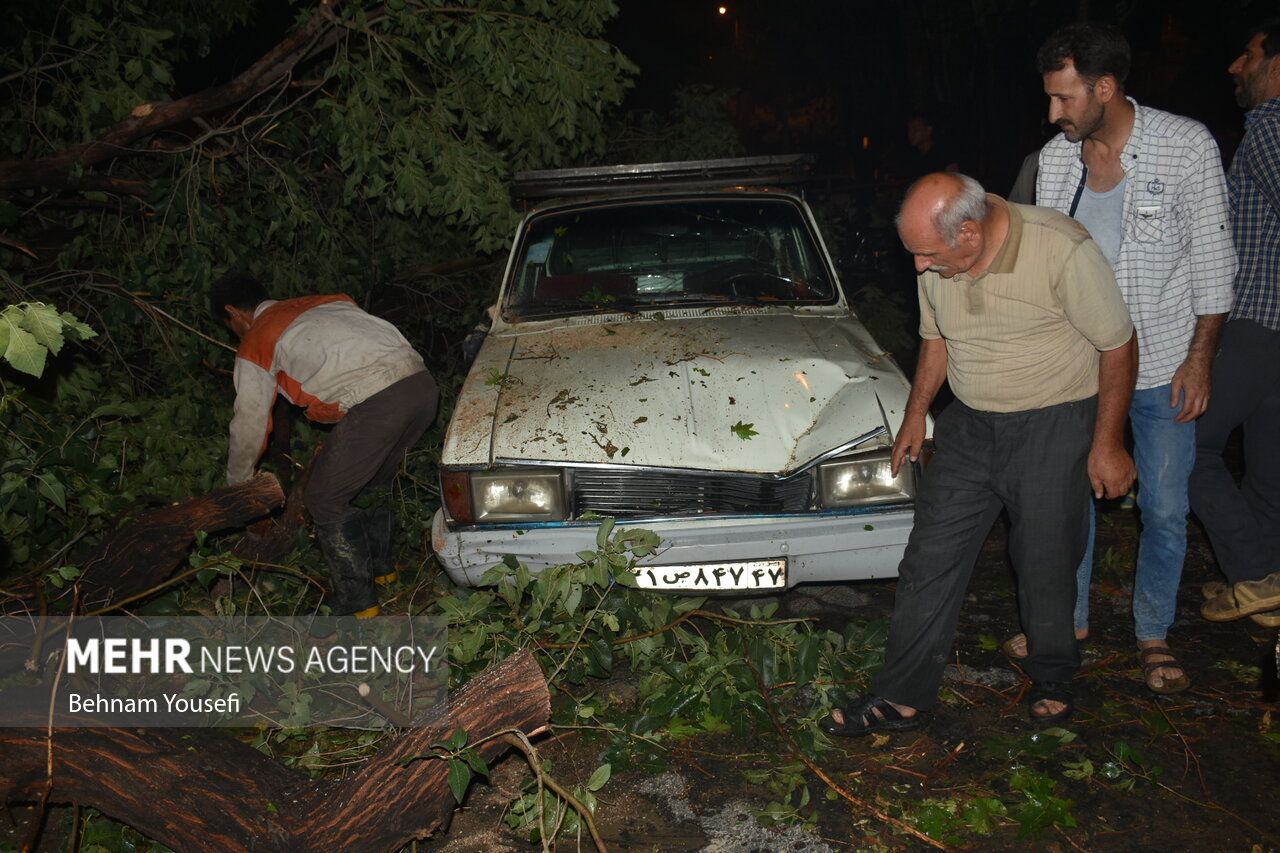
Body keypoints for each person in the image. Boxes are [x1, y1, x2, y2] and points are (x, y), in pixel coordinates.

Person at [821, 173, 1136, 736]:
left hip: (1053, 420)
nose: (917, 267)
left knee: (1043, 557)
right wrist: (916, 413)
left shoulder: (1061, 248)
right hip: (969, 426)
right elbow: (935, 337)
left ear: (968, 233)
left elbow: (1117, 344)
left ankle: (1055, 674)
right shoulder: (941, 261)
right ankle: (902, 695)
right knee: (928, 555)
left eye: (925, 254)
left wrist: (1108, 442)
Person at [1025, 22, 1236, 693]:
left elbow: (1213, 263)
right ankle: (1071, 620)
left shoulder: (1185, 147)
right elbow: (1044, 270)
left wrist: (1200, 360)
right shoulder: (1056, 163)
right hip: (1078, 370)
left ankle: (1152, 630)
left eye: (1064, 99)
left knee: (1167, 506)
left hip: (1165, 361)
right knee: (1068, 500)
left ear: (1106, 88)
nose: (1053, 112)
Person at [211, 274, 438, 622]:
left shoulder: (257, 339)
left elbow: (249, 422)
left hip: (378, 399)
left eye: (230, 326)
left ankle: (357, 602)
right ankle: (384, 573)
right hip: (421, 386)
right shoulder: (326, 302)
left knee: (323, 499)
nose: (235, 333)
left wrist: (238, 484)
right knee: (375, 484)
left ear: (234, 313)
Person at [1193, 18, 1280, 629]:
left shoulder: (1272, 126)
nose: (1235, 66)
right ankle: (1261, 585)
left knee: (1189, 446)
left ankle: (1251, 572)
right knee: (1270, 468)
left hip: (1254, 321)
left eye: (1247, 55)